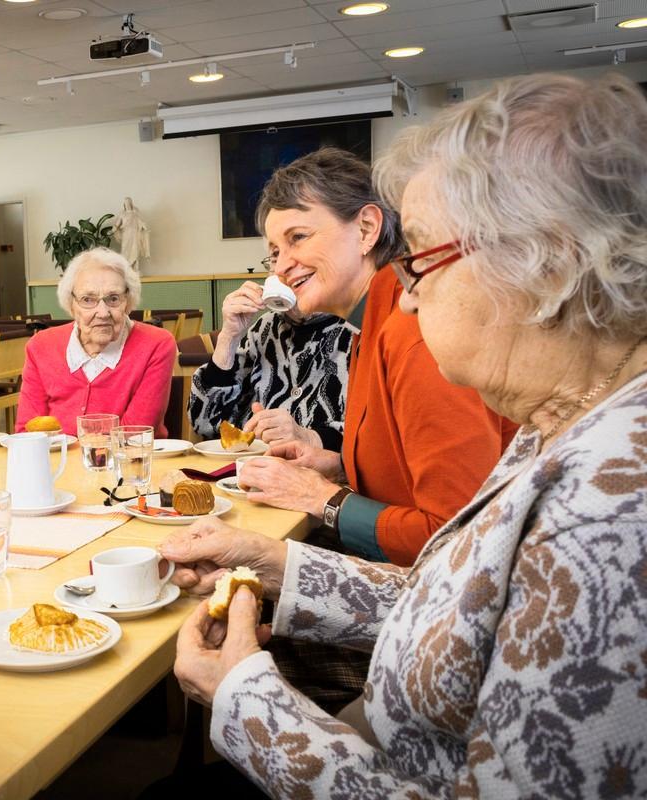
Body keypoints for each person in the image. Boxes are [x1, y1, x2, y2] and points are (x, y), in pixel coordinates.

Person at [166, 71, 647, 797]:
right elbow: (464, 603)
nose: (409, 299)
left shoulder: (609, 518)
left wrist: (242, 699)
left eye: (419, 259)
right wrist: (273, 562)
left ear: (543, 262)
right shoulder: (569, 414)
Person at [236, 148, 515, 568]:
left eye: (298, 237)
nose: (282, 269)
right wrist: (340, 466)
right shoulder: (372, 325)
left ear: (367, 228)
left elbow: (456, 538)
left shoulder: (415, 332)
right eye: (275, 251)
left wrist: (321, 498)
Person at [16, 247, 177, 436]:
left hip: (130, 463)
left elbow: (135, 433)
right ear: (71, 304)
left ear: (128, 301)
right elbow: (27, 431)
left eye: (113, 299)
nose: (102, 313)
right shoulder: (40, 346)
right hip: (56, 464)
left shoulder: (156, 344)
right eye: (87, 299)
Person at [189, 292, 352, 449]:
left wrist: (308, 437)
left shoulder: (360, 328)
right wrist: (229, 337)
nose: (282, 270)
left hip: (324, 475)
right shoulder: (266, 327)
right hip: (251, 468)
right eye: (274, 263)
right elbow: (204, 422)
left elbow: (370, 443)